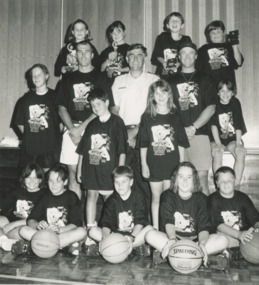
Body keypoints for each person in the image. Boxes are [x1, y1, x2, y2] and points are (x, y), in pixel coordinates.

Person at [56, 39, 114, 199]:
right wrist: (73, 131)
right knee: (73, 174)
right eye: (79, 52)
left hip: (95, 130)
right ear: (75, 55)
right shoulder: (67, 79)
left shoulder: (101, 78)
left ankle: (96, 221)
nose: (83, 55)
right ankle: (76, 221)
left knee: (94, 173)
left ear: (92, 54)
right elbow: (61, 108)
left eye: (86, 51)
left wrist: (81, 129)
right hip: (71, 130)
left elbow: (103, 106)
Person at [145, 162, 229, 270]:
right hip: (174, 239)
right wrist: (171, 239)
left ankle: (172, 256)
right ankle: (199, 257)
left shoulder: (202, 199)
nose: (185, 181)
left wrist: (202, 244)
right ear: (175, 179)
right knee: (149, 235)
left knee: (223, 240)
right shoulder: (167, 195)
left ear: (194, 180)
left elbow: (204, 227)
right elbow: (168, 221)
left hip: (196, 241)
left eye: (189, 177)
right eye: (181, 177)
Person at [112, 43, 159, 214]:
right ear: (126, 58)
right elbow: (114, 110)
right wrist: (124, 135)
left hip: (146, 134)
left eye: (139, 55)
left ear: (144, 57)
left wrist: (137, 132)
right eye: (131, 55)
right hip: (123, 135)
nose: (135, 58)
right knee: (123, 180)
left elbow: (155, 110)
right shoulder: (119, 81)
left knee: (145, 181)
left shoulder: (153, 80)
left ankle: (145, 222)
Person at [165, 42, 217, 195]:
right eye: (183, 53)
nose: (187, 56)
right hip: (176, 137)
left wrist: (193, 127)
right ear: (179, 57)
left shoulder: (205, 79)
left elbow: (212, 107)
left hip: (199, 134)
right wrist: (181, 130)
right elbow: (166, 109)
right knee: (178, 181)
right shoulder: (170, 80)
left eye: (190, 53)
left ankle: (205, 219)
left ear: (195, 56)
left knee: (201, 180)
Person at [138, 80, 189, 230]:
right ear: (152, 96)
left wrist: (180, 163)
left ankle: (168, 228)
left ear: (169, 95)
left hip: (171, 163)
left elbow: (180, 142)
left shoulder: (175, 116)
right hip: (153, 164)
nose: (160, 96)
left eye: (164, 92)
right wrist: (143, 164)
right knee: (156, 198)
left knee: (169, 199)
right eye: (157, 93)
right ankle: (155, 228)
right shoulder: (147, 117)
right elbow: (143, 143)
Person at [76, 88, 127, 237]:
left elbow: (122, 149)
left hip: (109, 169)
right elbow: (83, 151)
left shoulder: (117, 122)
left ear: (107, 102)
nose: (95, 108)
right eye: (92, 105)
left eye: (98, 104)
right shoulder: (91, 124)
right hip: (91, 168)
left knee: (110, 201)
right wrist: (79, 170)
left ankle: (111, 231)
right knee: (90, 197)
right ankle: (90, 231)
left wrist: (121, 171)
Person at [19, 164, 87, 256]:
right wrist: (37, 225)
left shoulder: (72, 197)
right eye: (51, 181)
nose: (53, 185)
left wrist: (59, 230)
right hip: (45, 235)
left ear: (65, 182)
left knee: (82, 232)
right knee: (23, 230)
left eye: (58, 181)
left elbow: (75, 224)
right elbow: (30, 220)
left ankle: (41, 246)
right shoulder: (44, 197)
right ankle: (62, 246)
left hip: (63, 234)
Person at [89, 166, 153, 256]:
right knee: (93, 231)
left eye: (123, 182)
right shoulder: (111, 200)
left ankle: (120, 247)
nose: (120, 186)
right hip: (116, 237)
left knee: (150, 230)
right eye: (117, 182)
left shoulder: (138, 197)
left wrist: (132, 237)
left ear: (131, 182)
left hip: (134, 235)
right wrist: (105, 238)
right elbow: (106, 223)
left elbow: (140, 222)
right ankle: (129, 248)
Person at [14, 64, 61, 171]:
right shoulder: (25, 99)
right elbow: (20, 123)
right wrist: (32, 135)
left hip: (50, 151)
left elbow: (61, 124)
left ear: (47, 76)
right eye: (33, 76)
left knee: (49, 181)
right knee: (30, 182)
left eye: (39, 74)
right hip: (30, 152)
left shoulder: (56, 97)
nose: (36, 78)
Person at [208, 166, 259, 259]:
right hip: (222, 235)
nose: (226, 183)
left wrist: (257, 227)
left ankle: (230, 254)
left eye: (229, 180)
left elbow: (254, 218)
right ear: (217, 184)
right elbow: (217, 224)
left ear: (234, 181)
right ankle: (226, 254)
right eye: (222, 181)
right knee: (221, 240)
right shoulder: (212, 199)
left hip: (243, 236)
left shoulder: (243, 197)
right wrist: (238, 235)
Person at [0, 164, 46, 251]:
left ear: (40, 180)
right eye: (28, 177)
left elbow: (41, 219)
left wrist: (13, 225)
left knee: (21, 231)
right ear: (24, 179)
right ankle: (4, 241)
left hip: (28, 226)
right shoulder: (17, 191)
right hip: (11, 221)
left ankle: (7, 240)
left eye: (35, 178)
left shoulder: (45, 194)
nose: (32, 181)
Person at [210, 80, 247, 189]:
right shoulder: (214, 103)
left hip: (232, 139)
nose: (225, 94)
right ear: (218, 93)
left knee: (240, 152)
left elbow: (238, 125)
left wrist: (238, 143)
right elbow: (213, 126)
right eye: (222, 91)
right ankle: (219, 185)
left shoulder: (235, 102)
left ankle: (236, 185)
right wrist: (218, 144)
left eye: (228, 91)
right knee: (217, 153)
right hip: (216, 138)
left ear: (232, 92)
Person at [196, 20, 244, 90]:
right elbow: (198, 69)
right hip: (209, 90)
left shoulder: (229, 47)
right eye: (213, 33)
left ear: (224, 33)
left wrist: (234, 45)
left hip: (227, 89)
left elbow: (238, 63)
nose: (216, 35)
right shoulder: (203, 49)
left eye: (218, 32)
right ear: (209, 35)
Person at [151, 12, 192, 76]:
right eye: (172, 20)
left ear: (182, 25)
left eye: (177, 21)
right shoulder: (162, 37)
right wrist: (164, 63)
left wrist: (178, 64)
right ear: (167, 25)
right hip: (163, 73)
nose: (174, 22)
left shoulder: (186, 39)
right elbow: (157, 55)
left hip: (180, 74)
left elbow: (189, 57)